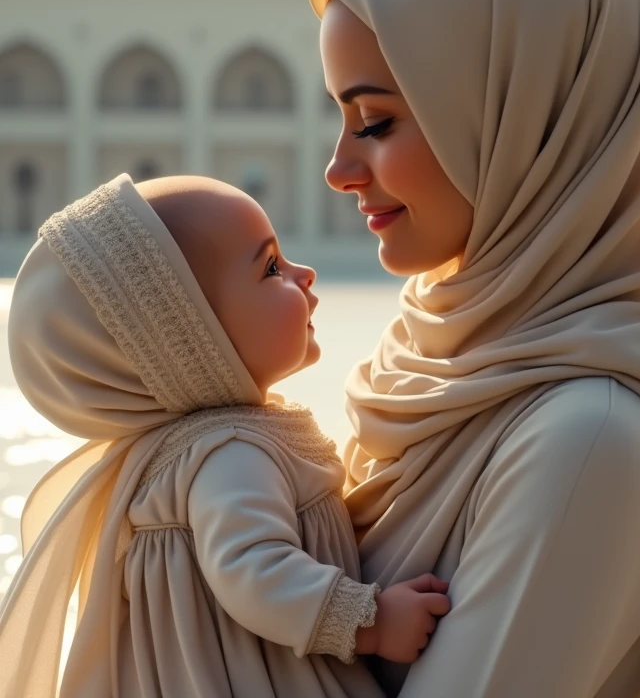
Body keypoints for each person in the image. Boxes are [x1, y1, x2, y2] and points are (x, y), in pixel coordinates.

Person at [310, 0, 640, 698]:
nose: (337, 170)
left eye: (374, 122)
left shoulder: (590, 440)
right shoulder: (446, 369)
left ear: (529, 115)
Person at [0, 173, 449, 698]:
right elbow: (252, 569)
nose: (305, 274)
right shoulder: (232, 451)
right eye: (272, 267)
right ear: (192, 337)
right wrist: (370, 624)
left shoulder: (197, 448)